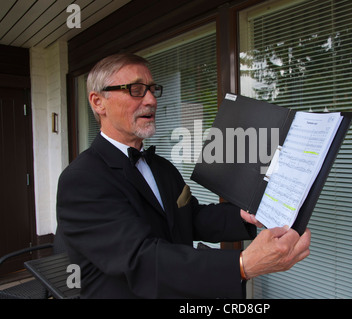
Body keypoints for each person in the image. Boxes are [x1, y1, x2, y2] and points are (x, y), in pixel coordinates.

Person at [56, 53, 311, 299]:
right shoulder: (81, 180)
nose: (151, 100)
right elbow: (140, 260)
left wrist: (245, 216)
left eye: (152, 89)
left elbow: (192, 217)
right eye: (135, 89)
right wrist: (242, 264)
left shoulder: (161, 167)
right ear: (98, 102)